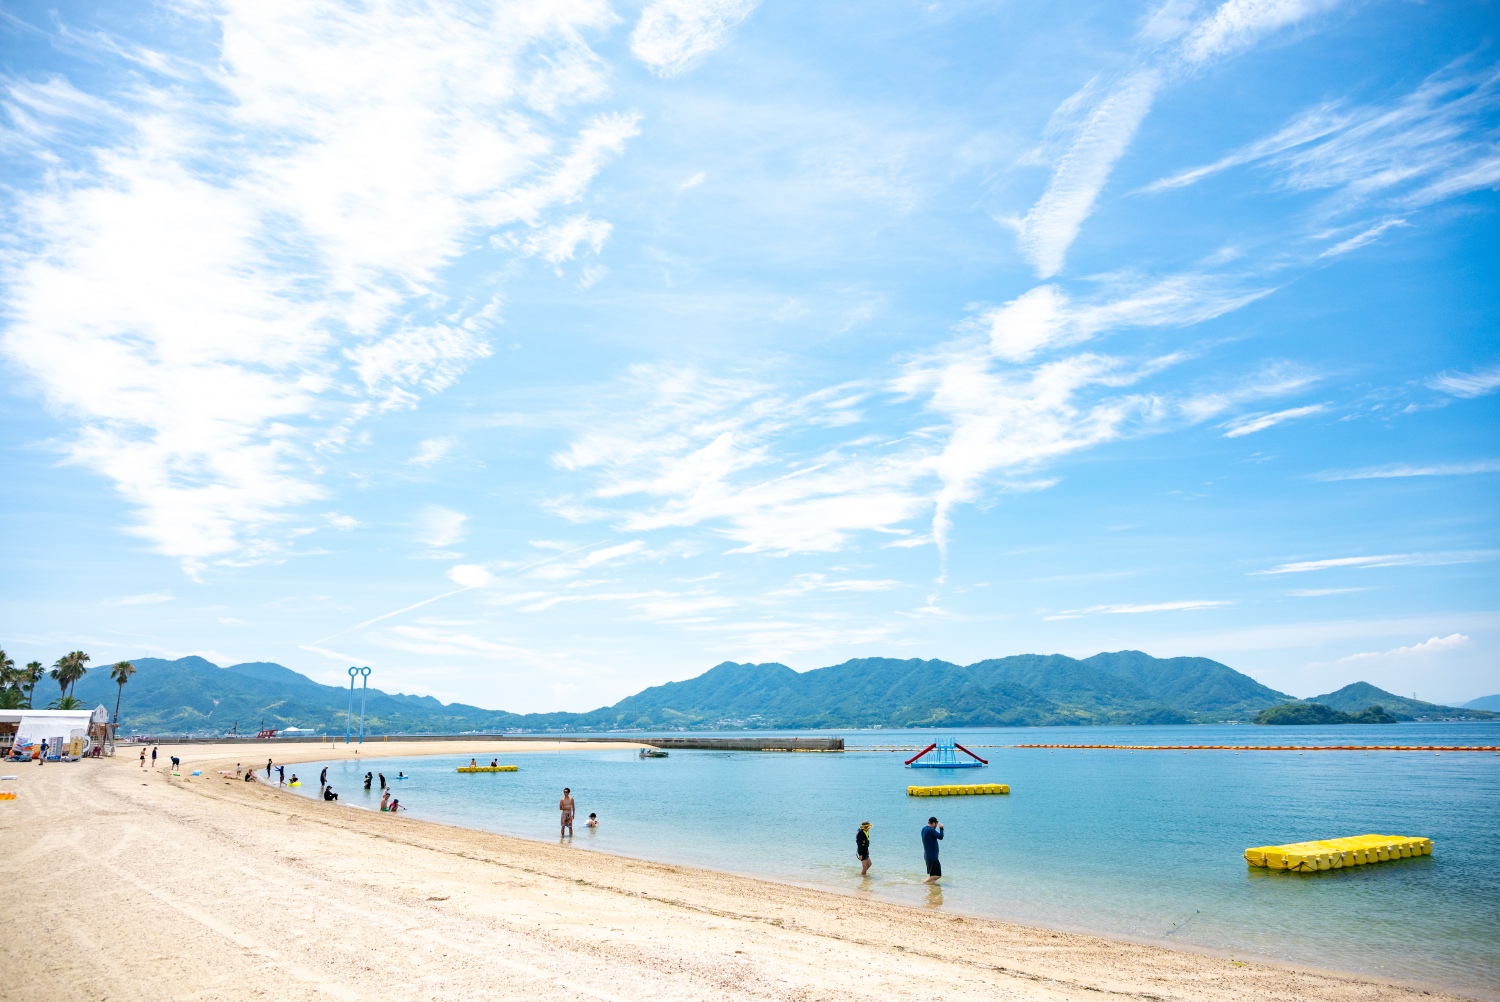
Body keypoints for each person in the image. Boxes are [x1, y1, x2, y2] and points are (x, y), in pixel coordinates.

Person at [921, 817, 944, 884]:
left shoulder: (924, 829)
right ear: (933, 823)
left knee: (933, 875)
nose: (936, 826)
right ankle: (923, 883)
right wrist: (941, 828)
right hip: (932, 857)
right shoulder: (930, 830)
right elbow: (940, 836)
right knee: (937, 875)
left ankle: (931, 888)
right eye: (936, 824)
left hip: (927, 856)